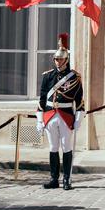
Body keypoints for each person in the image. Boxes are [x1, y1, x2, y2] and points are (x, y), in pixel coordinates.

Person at [36, 33, 85, 190]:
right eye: (56, 59)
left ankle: (67, 179)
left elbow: (79, 101)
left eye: (61, 59)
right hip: (50, 115)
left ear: (66, 59)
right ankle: (54, 178)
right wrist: (39, 119)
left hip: (65, 116)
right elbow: (42, 99)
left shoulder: (74, 77)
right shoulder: (48, 76)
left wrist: (78, 119)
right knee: (52, 147)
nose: (58, 61)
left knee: (66, 147)